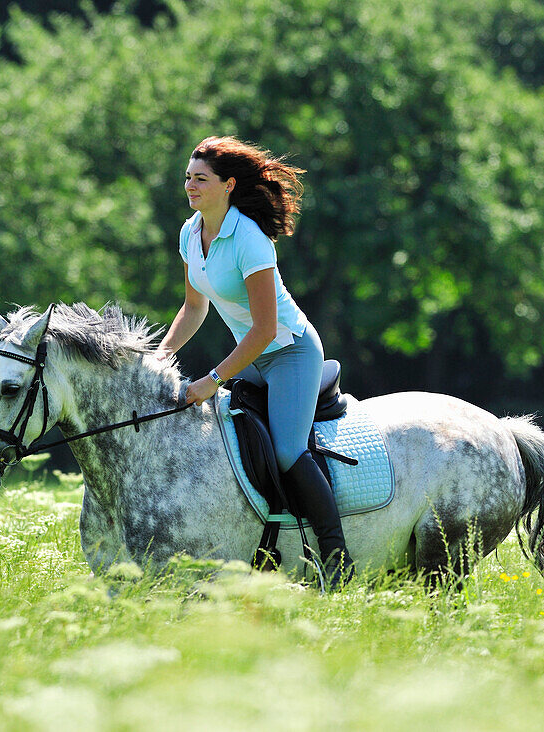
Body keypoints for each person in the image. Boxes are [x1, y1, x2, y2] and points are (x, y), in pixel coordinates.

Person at [153, 136, 353, 588]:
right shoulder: (190, 232)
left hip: (289, 353)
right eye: (187, 177)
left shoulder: (249, 237)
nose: (190, 186)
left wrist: (211, 379)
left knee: (286, 450)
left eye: (200, 179)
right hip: (250, 356)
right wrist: (159, 358)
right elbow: (194, 308)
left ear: (228, 185)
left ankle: (337, 554)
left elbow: (265, 331)